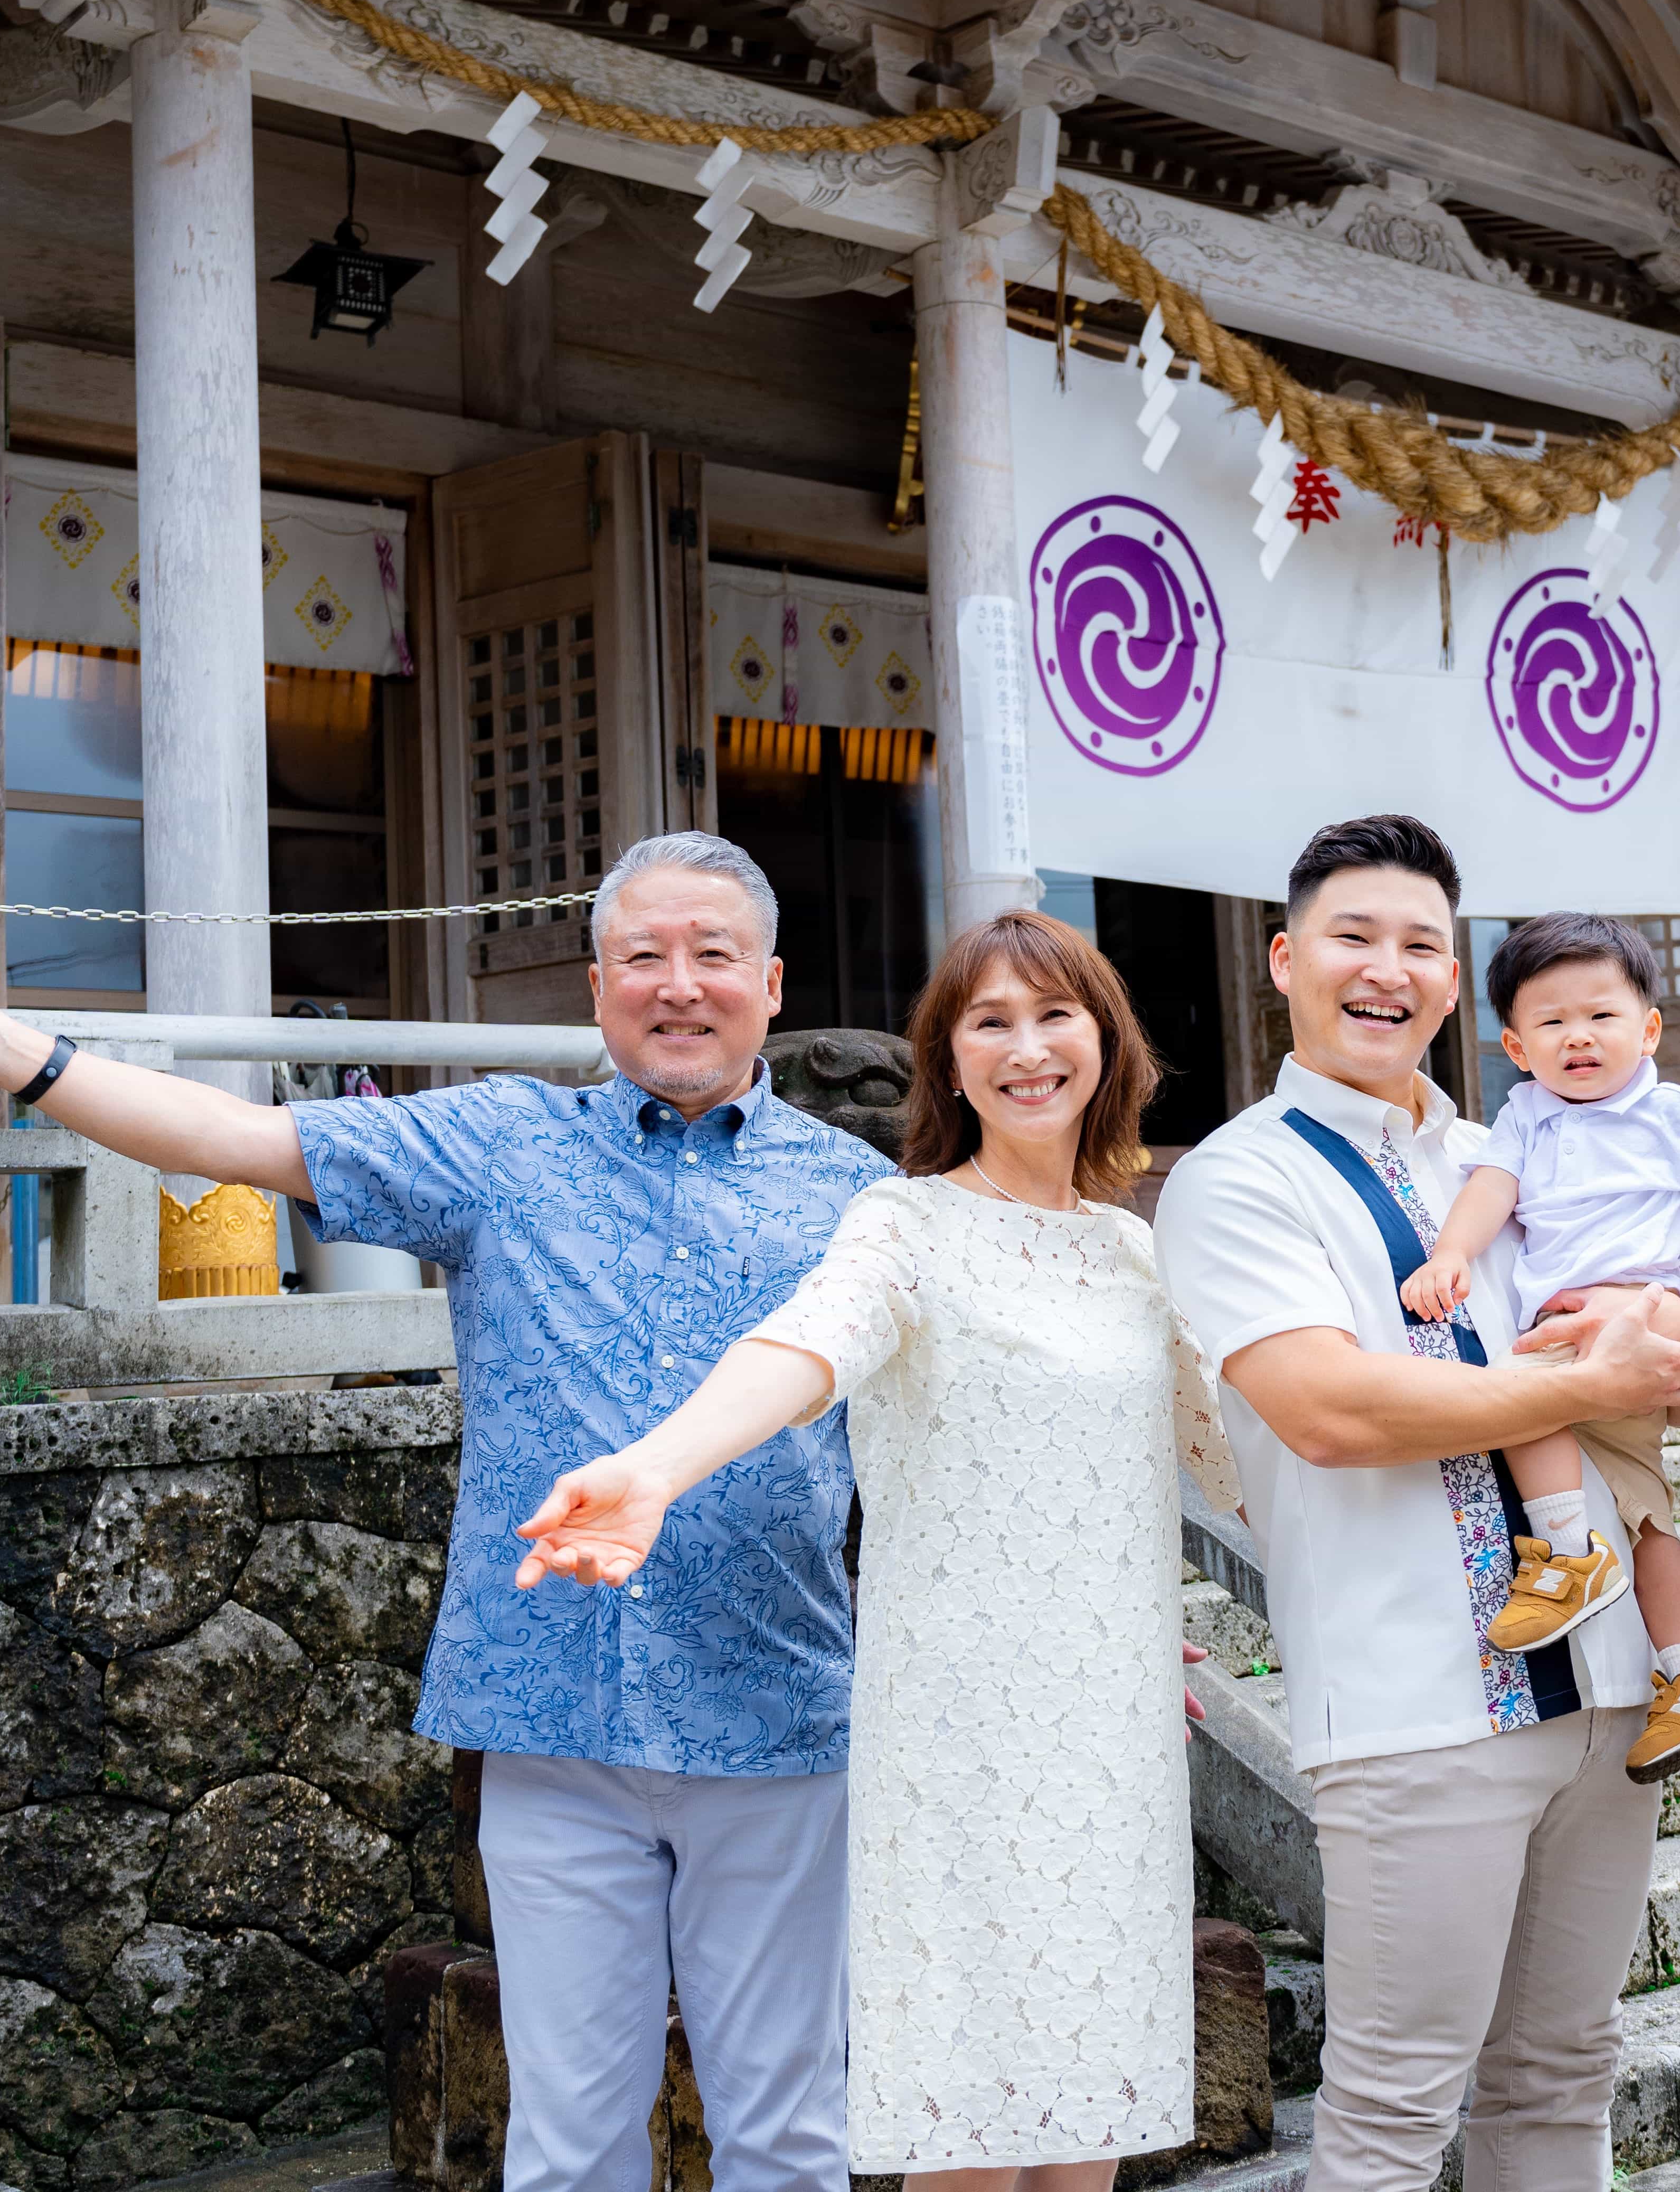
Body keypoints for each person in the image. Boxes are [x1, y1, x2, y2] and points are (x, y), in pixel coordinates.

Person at [0, 833, 885, 2192]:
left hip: (772, 1715)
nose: (680, 986)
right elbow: (239, 1136)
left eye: (713, 955)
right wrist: (14, 1049)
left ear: (771, 983)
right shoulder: (501, 1143)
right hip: (551, 1715)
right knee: (567, 2140)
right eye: (644, 957)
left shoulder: (861, 1200)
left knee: (789, 2131)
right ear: (599, 984)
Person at [508, 908, 1241, 2191]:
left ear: (1105, 1041)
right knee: (969, 2124)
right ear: (947, 1063)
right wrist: (658, 1466)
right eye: (990, 1022)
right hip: (955, 1735)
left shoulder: (1136, 1249)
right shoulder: (902, 1225)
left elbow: (1235, 1455)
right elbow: (802, 1349)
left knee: (1086, 2117)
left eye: (1055, 1014)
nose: (1028, 1048)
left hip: (1109, 1733)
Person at [1153, 817, 1680, 2192]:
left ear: (1457, 986)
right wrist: (1587, 1377)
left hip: (1607, 1689)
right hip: (1419, 1702)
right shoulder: (1239, 1177)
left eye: (1420, 944)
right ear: (1285, 961)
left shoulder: (1523, 1151)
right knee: (1395, 2112)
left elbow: (1634, 1357)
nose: (1386, 970)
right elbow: (1334, 1410)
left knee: (1564, 2075)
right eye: (1353, 937)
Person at [1398, 911, 1680, 1779]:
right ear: (1517, 1048)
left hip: (1649, 1306)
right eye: (1551, 1023)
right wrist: (1450, 1252)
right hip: (1574, 1343)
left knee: (1515, 1392)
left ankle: (1564, 1555)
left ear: (1648, 1028)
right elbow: (1491, 1189)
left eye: (1600, 1015)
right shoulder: (1523, 1115)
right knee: (1646, 1514)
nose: (1579, 1037)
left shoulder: (1675, 1111)